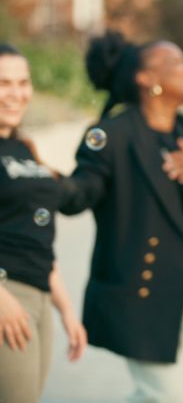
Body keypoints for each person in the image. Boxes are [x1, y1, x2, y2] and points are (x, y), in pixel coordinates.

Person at [58, 31, 183, 402]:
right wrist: (41, 178)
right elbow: (79, 195)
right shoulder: (111, 135)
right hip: (140, 286)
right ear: (146, 79)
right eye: (174, 63)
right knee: (164, 396)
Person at [0, 43, 87, 402]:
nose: (16, 94)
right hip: (7, 296)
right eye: (4, 84)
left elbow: (36, 236)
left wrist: (66, 309)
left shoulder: (24, 149)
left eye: (23, 82)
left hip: (38, 297)